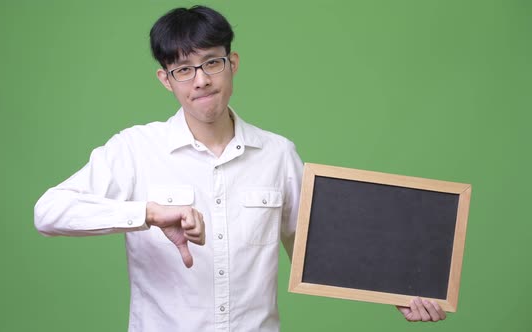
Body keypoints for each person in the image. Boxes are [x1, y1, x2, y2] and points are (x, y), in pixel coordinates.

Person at [34, 5, 446, 331]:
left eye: (212, 63)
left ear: (233, 62)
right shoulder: (135, 148)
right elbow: (48, 212)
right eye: (184, 69)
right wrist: (148, 214)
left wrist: (400, 289)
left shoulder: (278, 154)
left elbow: (321, 248)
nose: (200, 80)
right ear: (166, 79)